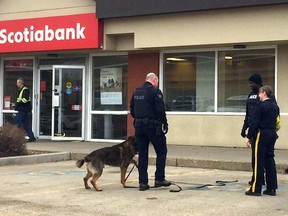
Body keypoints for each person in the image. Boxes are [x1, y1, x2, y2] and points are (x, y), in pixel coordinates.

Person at [130, 72, 171, 191]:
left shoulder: (136, 92)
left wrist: (140, 120)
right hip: (152, 126)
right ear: (154, 80)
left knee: (142, 154)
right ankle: (159, 178)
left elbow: (132, 109)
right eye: (157, 82)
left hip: (139, 127)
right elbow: (160, 110)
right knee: (162, 150)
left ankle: (142, 183)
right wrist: (164, 123)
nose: (157, 84)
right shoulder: (155, 92)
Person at [245, 86, 279, 196]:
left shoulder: (260, 106)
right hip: (272, 133)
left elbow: (254, 123)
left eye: (259, 94)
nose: (258, 96)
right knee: (269, 160)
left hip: (262, 134)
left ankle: (255, 189)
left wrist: (249, 137)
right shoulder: (275, 106)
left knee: (258, 161)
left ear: (264, 93)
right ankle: (271, 188)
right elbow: (278, 121)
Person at [240, 74, 263, 185]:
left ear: (258, 83)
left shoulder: (264, 95)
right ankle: (256, 176)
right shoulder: (251, 95)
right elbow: (248, 114)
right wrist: (244, 128)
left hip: (260, 130)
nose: (250, 85)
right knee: (255, 156)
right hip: (252, 129)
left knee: (263, 157)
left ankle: (259, 179)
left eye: (252, 83)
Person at [12, 78, 36, 142]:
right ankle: (31, 137)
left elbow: (25, 100)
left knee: (18, 123)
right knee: (26, 125)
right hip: (24, 109)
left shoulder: (25, 90)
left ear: (21, 83)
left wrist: (16, 104)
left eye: (17, 83)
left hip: (23, 110)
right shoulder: (21, 90)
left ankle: (13, 138)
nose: (16, 84)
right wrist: (16, 104)